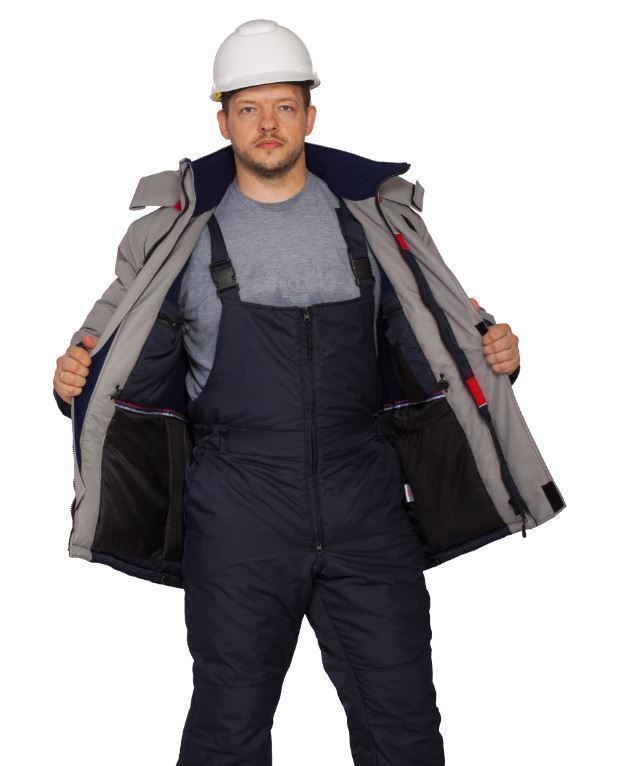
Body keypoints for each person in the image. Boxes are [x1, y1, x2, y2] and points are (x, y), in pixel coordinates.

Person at [53, 19, 520, 766]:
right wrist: (71, 370)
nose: (266, 124)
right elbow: (104, 338)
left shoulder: (374, 220)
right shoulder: (177, 235)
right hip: (238, 510)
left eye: (283, 106)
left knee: (403, 727)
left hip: (365, 503)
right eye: (248, 108)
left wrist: (494, 346)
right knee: (228, 732)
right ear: (223, 122)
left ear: (309, 115)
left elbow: (441, 322)